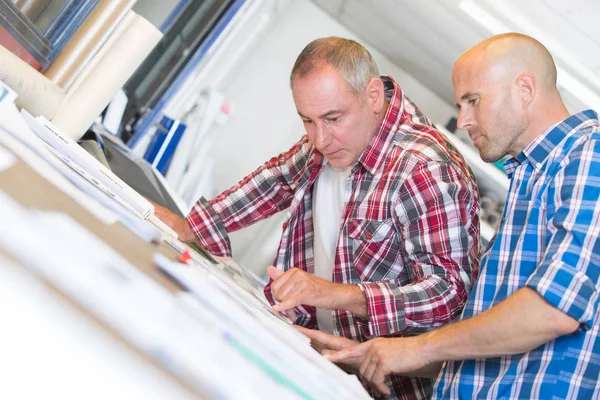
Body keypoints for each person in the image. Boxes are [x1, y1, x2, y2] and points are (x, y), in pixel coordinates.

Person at [153, 37, 480, 399]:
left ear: (373, 96)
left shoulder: (425, 169)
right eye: (307, 120)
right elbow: (276, 180)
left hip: (383, 389)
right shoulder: (336, 139)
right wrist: (192, 227)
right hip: (317, 362)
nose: (320, 139)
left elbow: (447, 292)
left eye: (332, 118)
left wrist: (334, 295)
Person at [320, 32, 600, 399]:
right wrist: (369, 354)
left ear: (525, 89)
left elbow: (553, 309)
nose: (464, 120)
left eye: (473, 101)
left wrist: (413, 349)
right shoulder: (532, 179)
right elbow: (484, 350)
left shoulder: (587, 156)